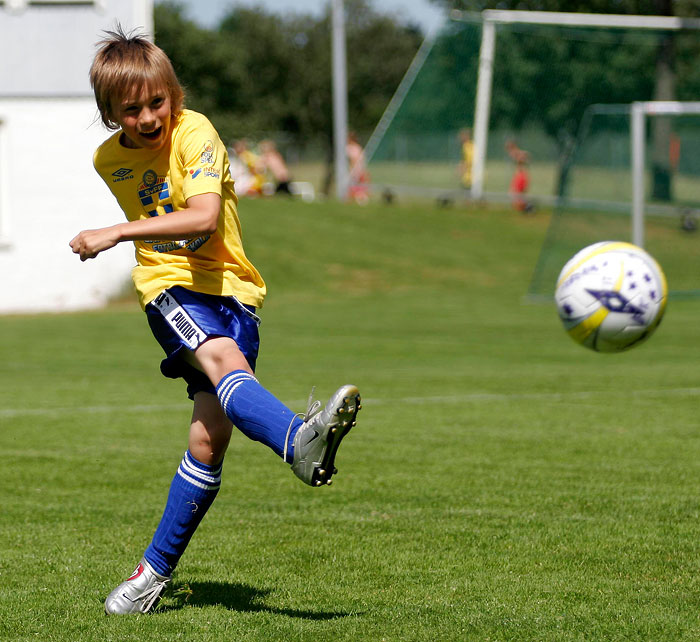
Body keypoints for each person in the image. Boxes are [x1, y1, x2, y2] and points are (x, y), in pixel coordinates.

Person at [69, 27, 361, 615]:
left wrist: (116, 231)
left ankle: (152, 574)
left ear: (174, 92)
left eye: (159, 101)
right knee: (223, 364)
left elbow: (202, 219)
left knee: (207, 440)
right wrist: (133, 241)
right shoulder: (109, 159)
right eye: (132, 109)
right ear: (109, 114)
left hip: (235, 292)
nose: (150, 117)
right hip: (169, 289)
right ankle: (297, 442)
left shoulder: (194, 130)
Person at [505, 138, 532, 213]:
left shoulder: (516, 153)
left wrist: (521, 158)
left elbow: (525, 155)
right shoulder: (515, 154)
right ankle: (527, 208)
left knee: (515, 193)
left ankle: (528, 207)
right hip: (520, 175)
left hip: (521, 176)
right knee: (517, 194)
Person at [346, 131, 370, 205]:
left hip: (355, 170)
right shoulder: (354, 148)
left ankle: (358, 198)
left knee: (355, 187)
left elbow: (355, 160)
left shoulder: (353, 148)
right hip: (356, 170)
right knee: (354, 187)